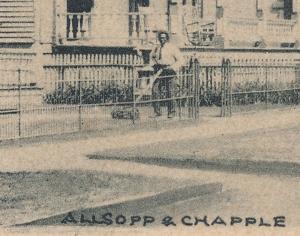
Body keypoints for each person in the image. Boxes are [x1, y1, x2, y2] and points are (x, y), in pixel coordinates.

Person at [150, 30, 184, 118]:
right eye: (161, 38)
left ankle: (171, 112)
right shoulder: (156, 48)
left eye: (164, 38)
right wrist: (154, 64)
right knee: (155, 90)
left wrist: (172, 67)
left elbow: (181, 60)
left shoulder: (172, 47)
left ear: (167, 38)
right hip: (159, 70)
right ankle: (157, 112)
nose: (162, 39)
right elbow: (152, 57)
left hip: (170, 71)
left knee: (171, 92)